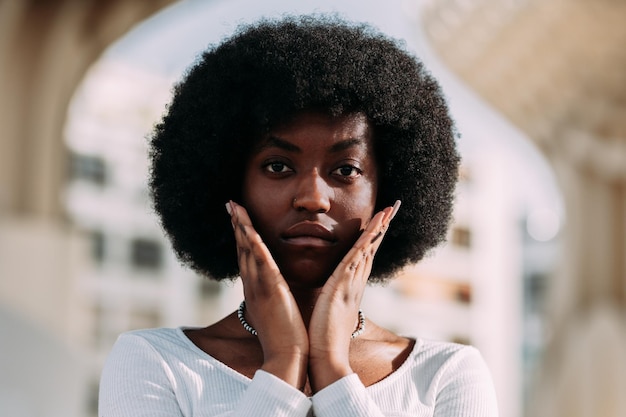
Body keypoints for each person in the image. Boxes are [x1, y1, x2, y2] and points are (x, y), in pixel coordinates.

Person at [99, 15, 498, 417]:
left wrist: (333, 371)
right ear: (229, 185)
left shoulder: (446, 374)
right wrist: (283, 366)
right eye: (277, 166)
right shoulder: (153, 362)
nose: (312, 198)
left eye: (345, 170)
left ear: (387, 194)